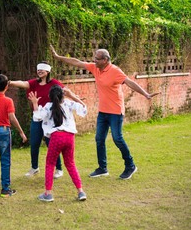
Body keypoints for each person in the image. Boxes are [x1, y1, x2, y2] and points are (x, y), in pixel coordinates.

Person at [50, 45, 159, 179]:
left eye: (97, 59)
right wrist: (58, 57)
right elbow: (77, 62)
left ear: (105, 60)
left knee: (117, 138)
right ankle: (102, 168)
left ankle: (130, 165)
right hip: (103, 111)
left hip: (115, 111)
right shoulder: (96, 68)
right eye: (94, 58)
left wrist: (146, 94)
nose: (94, 61)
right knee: (99, 139)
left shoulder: (115, 71)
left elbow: (130, 82)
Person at [29, 85, 87, 201]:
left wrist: (35, 103)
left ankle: (48, 193)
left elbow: (37, 117)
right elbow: (83, 108)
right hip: (70, 137)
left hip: (56, 137)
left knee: (50, 164)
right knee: (70, 164)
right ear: (63, 95)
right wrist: (72, 95)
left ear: (49, 96)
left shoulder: (48, 106)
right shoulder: (69, 103)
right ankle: (81, 191)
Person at [9, 62, 64, 179]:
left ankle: (59, 168)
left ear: (48, 72)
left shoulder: (54, 84)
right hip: (37, 117)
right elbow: (23, 83)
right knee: (34, 143)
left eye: (42, 70)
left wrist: (76, 99)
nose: (39, 71)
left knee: (52, 144)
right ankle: (34, 167)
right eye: (38, 70)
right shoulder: (34, 83)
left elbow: (64, 92)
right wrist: (10, 82)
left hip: (50, 119)